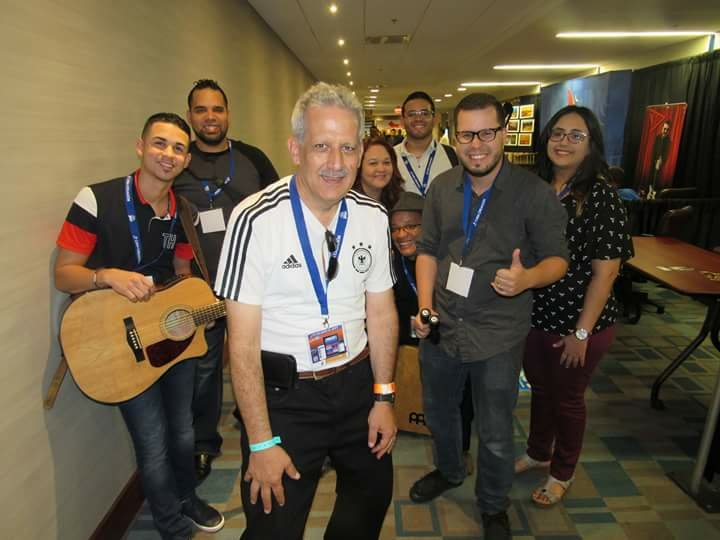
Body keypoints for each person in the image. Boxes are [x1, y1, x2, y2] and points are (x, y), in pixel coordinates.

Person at [214, 82, 397, 540]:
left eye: (347, 147)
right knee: (273, 524)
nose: (336, 162)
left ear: (360, 153)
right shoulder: (254, 220)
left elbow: (381, 314)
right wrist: (261, 440)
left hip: (357, 386)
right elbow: (242, 344)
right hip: (285, 399)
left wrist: (384, 397)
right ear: (296, 149)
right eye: (321, 146)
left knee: (370, 501)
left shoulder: (373, 217)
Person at [54, 113, 224, 539]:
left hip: (172, 334)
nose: (168, 155)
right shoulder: (96, 199)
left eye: (178, 148)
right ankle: (169, 524)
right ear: (140, 146)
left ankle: (187, 498)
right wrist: (106, 275)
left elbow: (182, 273)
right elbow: (64, 274)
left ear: (186, 160)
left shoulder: (183, 213)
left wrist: (201, 309)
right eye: (160, 143)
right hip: (119, 343)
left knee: (183, 432)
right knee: (152, 442)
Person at [410, 93, 569, 540]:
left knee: (496, 429)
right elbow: (428, 250)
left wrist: (527, 278)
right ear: (453, 137)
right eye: (466, 135)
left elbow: (559, 260)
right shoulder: (442, 187)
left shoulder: (533, 194)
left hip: (498, 333)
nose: (476, 145)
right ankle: (449, 470)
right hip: (442, 325)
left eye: (486, 133)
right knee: (440, 413)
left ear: (503, 133)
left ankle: (493, 504)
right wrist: (425, 307)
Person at [515, 105, 633, 506]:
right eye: (557, 133)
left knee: (567, 399)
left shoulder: (601, 196)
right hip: (536, 315)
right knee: (541, 390)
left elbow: (607, 273)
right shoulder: (537, 187)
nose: (564, 142)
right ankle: (538, 452)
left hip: (579, 322)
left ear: (591, 144)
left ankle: (562, 471)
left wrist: (581, 333)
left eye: (576, 136)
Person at [173, 79, 279, 483]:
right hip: (201, 288)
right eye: (201, 110)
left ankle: (268, 425)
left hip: (256, 285)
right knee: (205, 369)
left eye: (217, 109)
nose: (210, 117)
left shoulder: (252, 158)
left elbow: (280, 209)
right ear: (190, 116)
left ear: (228, 114)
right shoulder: (178, 161)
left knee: (266, 358)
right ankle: (204, 443)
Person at [390, 192, 474, 472]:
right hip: (411, 340)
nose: (402, 235)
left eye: (411, 226)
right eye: (395, 229)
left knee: (462, 397)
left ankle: (461, 450)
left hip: (454, 340)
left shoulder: (452, 258)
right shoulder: (390, 263)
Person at [394, 91, 459, 196]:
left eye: (425, 113)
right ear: (402, 120)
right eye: (411, 114)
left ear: (435, 118)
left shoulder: (454, 155)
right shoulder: (390, 157)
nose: (418, 119)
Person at [353, 137, 404, 210]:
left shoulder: (400, 202)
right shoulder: (348, 203)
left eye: (386, 163)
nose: (381, 169)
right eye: (373, 163)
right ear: (359, 166)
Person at [648, 120, 671, 199]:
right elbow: (653, 150)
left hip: (660, 163)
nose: (665, 131)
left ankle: (654, 194)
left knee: (656, 179)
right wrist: (654, 161)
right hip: (653, 161)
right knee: (650, 177)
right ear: (662, 128)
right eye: (664, 129)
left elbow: (666, 154)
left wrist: (661, 161)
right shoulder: (657, 137)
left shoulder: (668, 141)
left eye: (667, 129)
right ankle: (649, 192)